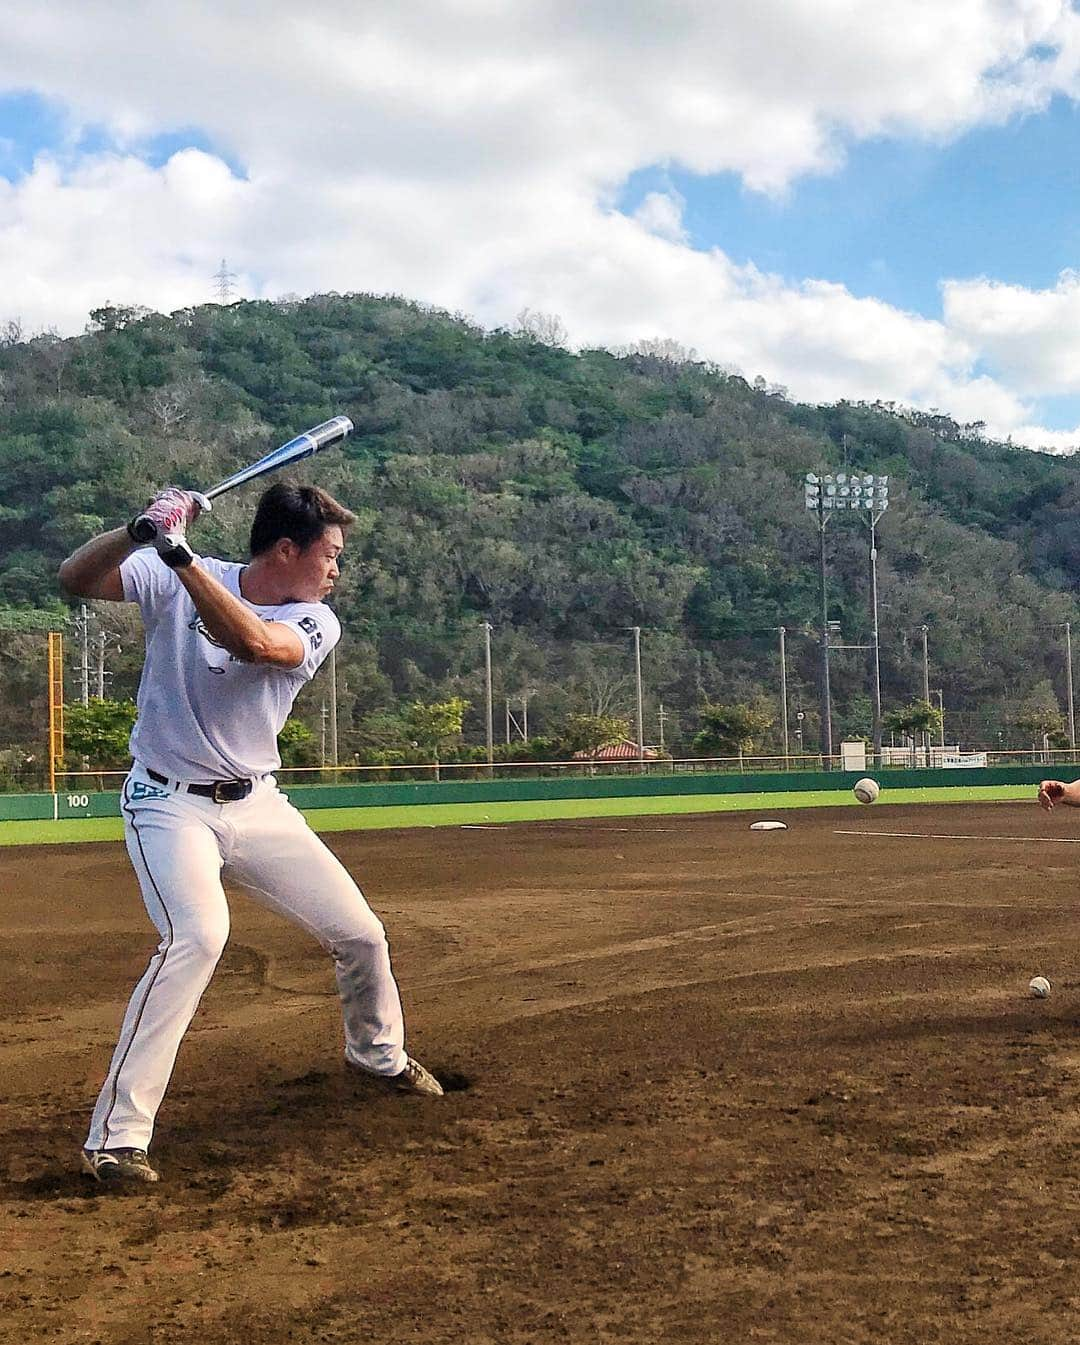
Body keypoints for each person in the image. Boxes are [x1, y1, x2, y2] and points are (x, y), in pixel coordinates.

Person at [58, 480, 442, 1188]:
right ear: (287, 549)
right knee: (197, 937)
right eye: (329, 554)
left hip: (257, 803)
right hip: (167, 802)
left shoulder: (314, 619)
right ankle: (115, 1138)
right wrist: (135, 529)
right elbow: (76, 577)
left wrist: (176, 554)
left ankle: (377, 1058)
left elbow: (258, 643)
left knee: (361, 934)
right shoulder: (175, 572)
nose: (336, 570)